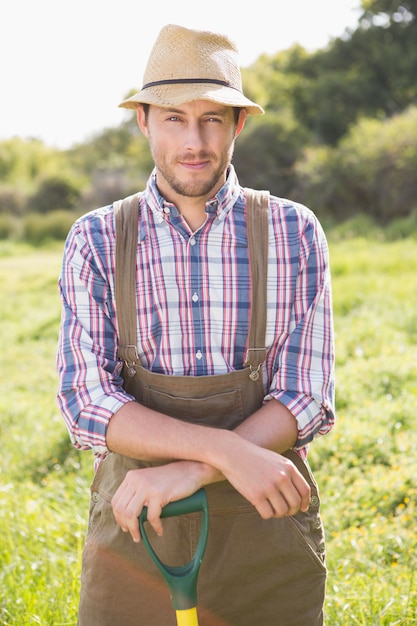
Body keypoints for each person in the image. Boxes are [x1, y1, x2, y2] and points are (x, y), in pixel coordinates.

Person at [56, 23, 335, 626]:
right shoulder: (98, 240)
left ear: (238, 125)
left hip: (266, 528)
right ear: (144, 121)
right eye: (175, 118)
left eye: (212, 119)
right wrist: (225, 451)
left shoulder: (293, 231)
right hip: (137, 530)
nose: (194, 141)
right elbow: (87, 399)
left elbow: (306, 394)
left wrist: (194, 470)